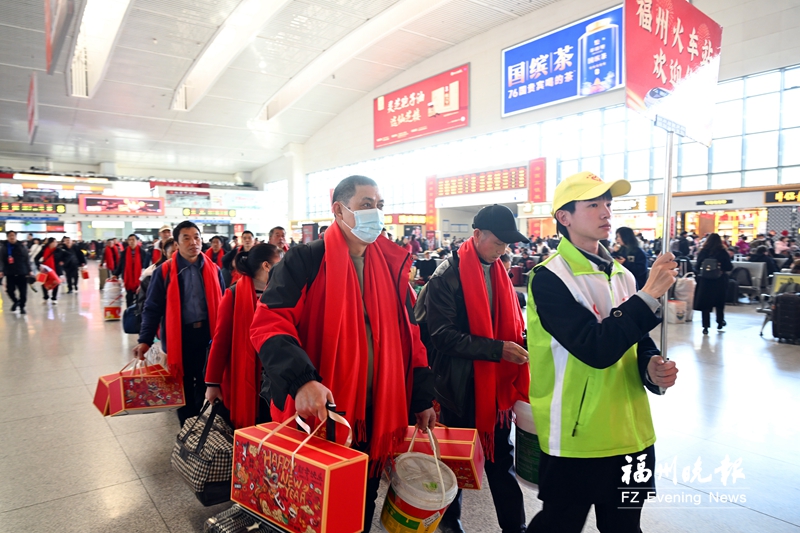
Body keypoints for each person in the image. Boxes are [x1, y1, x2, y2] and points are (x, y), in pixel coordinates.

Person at [250, 175, 435, 533]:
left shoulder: (391, 264)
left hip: (376, 409)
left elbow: (411, 334)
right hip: (321, 413)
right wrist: (302, 380)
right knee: (311, 504)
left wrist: (422, 395)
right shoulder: (305, 260)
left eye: (379, 206)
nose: (375, 214)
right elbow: (269, 323)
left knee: (360, 499)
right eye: (367, 205)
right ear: (339, 210)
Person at [526, 171, 679, 533]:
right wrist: (647, 296)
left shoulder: (623, 276)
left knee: (625, 526)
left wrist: (650, 368)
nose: (606, 212)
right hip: (579, 435)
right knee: (559, 524)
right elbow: (595, 348)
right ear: (564, 217)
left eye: (608, 203)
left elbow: (636, 342)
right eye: (593, 204)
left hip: (631, 431)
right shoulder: (549, 278)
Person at [422, 204, 530, 533]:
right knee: (453, 464)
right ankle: (450, 527)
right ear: (477, 235)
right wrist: (498, 350)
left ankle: (515, 527)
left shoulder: (498, 271)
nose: (502, 250)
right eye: (498, 242)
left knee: (500, 464)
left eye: (506, 245)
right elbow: (441, 337)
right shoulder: (447, 276)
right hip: (457, 388)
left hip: (493, 392)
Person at [134, 221, 225, 425]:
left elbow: (224, 306)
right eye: (187, 238)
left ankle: (204, 425)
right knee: (182, 384)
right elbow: (152, 308)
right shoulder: (164, 272)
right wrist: (145, 340)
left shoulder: (214, 270)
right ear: (176, 243)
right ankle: (187, 427)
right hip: (180, 337)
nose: (194, 242)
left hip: (208, 336)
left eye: (197, 237)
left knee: (208, 380)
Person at [205, 244, 282, 428]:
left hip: (276, 377)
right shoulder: (233, 295)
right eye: (281, 262)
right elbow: (220, 342)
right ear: (267, 266)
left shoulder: (282, 293)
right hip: (244, 376)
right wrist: (212, 383)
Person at [693, 233, 734, 335]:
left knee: (705, 304)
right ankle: (720, 322)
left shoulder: (703, 252)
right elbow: (729, 267)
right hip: (719, 280)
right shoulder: (723, 252)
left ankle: (705, 326)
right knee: (719, 303)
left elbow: (697, 267)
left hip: (705, 281)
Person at [137, 238, 175, 318]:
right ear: (165, 253)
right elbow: (143, 305)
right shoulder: (152, 273)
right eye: (173, 252)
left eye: (179, 252)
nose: (176, 255)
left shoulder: (186, 272)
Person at [1, 230, 32, 314]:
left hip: (22, 272)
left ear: (16, 236)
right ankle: (16, 301)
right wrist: (1, 270)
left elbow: (27, 259)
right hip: (10, 272)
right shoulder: (4, 247)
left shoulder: (22, 246)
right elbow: (2, 260)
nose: (11, 237)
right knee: (9, 290)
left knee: (23, 292)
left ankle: (22, 307)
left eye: (13, 235)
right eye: (10, 236)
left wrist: (30, 270)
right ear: (7, 237)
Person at [115, 234, 149, 308]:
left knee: (139, 298)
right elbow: (121, 264)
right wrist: (116, 274)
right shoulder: (124, 252)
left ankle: (138, 315)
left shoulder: (143, 252)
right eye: (129, 240)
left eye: (133, 239)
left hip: (140, 280)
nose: (131, 241)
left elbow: (146, 266)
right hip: (128, 280)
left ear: (137, 241)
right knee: (129, 298)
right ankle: (129, 314)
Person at [34, 237, 64, 304]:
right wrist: (39, 265)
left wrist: (63, 262)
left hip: (56, 269)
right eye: (54, 242)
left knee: (56, 283)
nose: (56, 243)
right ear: (50, 243)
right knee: (43, 283)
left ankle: (54, 298)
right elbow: (36, 258)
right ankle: (45, 297)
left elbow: (66, 256)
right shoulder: (44, 249)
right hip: (45, 270)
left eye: (56, 242)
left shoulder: (58, 250)